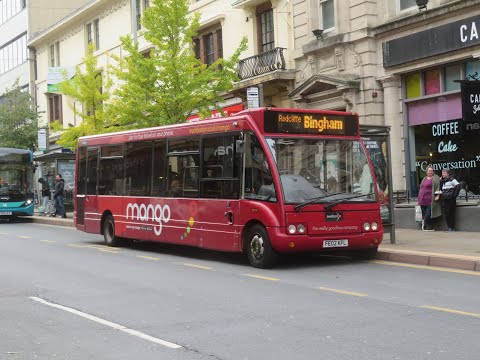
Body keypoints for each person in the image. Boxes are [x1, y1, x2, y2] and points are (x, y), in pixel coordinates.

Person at [417, 165, 441, 231]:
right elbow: (421, 187)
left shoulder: (436, 178)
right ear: (426, 172)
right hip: (422, 198)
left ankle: (424, 223)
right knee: (424, 213)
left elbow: (438, 187)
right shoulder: (424, 178)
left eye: (431, 171)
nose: (430, 172)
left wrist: (437, 195)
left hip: (430, 199)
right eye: (429, 171)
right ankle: (429, 227)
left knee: (428, 214)